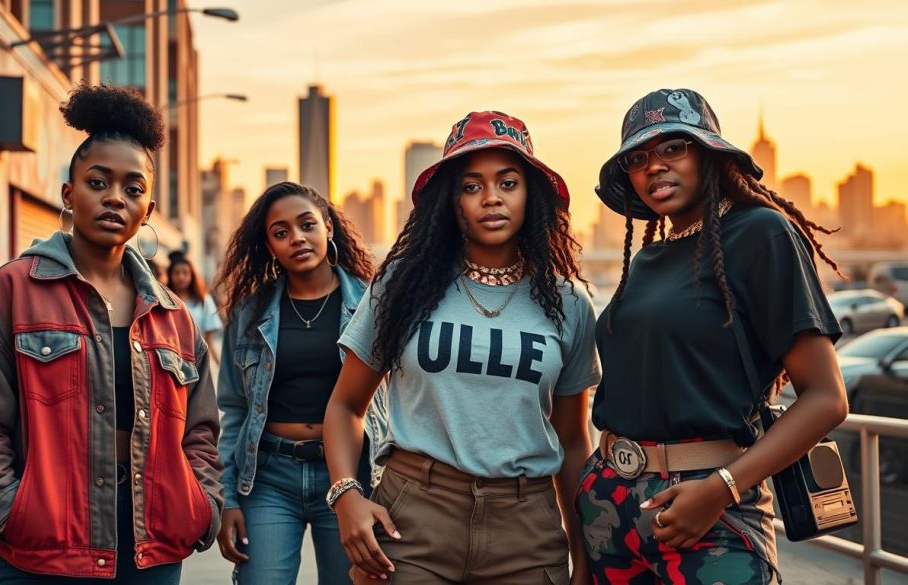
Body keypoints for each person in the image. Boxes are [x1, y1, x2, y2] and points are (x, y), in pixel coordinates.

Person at [0, 82, 223, 584]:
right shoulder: (15, 289)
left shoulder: (174, 316)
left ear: (147, 211)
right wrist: (10, 513)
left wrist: (200, 505)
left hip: (150, 556)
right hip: (39, 557)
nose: (115, 198)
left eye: (133, 189)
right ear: (69, 193)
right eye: (98, 182)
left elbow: (201, 432)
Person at [580, 88, 848, 584]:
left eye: (672, 148)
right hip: (608, 507)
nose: (654, 166)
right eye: (638, 157)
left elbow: (828, 399)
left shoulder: (761, 233)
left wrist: (722, 487)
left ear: (708, 154)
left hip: (709, 506)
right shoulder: (645, 259)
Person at [323, 111, 600, 584]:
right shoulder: (401, 285)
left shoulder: (569, 303)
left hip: (527, 531)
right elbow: (346, 404)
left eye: (507, 183)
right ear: (451, 203)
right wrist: (347, 495)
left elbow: (574, 440)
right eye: (471, 186)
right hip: (414, 520)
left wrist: (585, 558)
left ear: (530, 194)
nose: (491, 198)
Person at [213, 181, 386, 585]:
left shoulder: (372, 304)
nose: (297, 238)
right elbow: (234, 408)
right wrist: (227, 499)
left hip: (350, 476)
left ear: (328, 226)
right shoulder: (249, 312)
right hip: (270, 475)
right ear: (269, 246)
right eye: (281, 232)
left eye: (307, 224)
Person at [168, 254, 224, 364]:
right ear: (170, 275)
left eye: (185, 272)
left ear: (192, 275)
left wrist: (220, 367)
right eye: (176, 273)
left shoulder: (204, 300)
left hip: (197, 359)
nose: (181, 276)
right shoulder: (164, 300)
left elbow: (209, 342)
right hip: (170, 360)